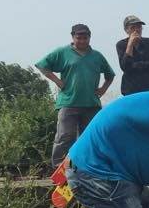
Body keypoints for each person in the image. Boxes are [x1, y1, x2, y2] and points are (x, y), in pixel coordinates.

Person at [37, 24, 116, 167]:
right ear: (73, 37)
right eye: (79, 37)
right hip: (68, 102)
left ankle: (86, 167)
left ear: (89, 38)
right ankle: (59, 169)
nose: (82, 41)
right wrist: (57, 81)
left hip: (91, 103)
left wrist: (103, 89)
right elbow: (42, 65)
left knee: (89, 138)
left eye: (85, 38)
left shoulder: (97, 56)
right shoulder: (63, 52)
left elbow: (110, 75)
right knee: (64, 136)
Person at [116, 14, 149, 95]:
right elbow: (125, 67)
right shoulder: (121, 45)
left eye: (139, 27)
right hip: (131, 91)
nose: (137, 30)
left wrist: (134, 65)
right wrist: (130, 45)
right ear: (126, 30)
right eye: (133, 27)